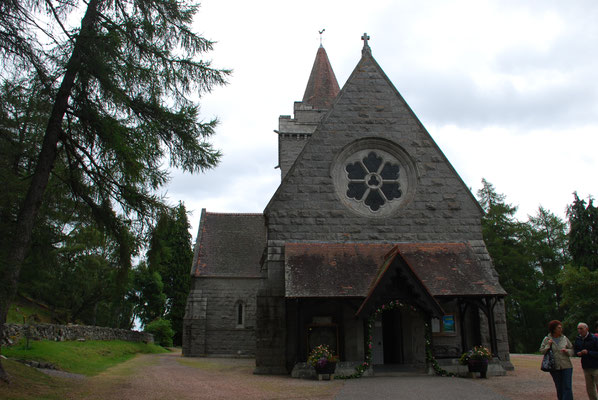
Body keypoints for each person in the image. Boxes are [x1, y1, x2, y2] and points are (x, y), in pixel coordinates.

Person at [540, 320, 574, 400]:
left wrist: (567, 351)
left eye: (561, 327)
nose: (561, 329)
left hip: (566, 366)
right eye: (559, 328)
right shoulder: (547, 339)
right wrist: (548, 345)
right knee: (559, 387)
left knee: (567, 387)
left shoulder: (564, 338)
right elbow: (542, 351)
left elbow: (572, 349)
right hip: (554, 367)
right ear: (554, 329)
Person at [574, 322, 598, 400]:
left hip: (596, 366)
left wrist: (588, 352)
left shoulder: (594, 339)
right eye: (578, 329)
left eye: (581, 328)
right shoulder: (578, 339)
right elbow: (576, 349)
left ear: (586, 329)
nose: (579, 330)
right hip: (586, 366)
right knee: (590, 389)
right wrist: (578, 353)